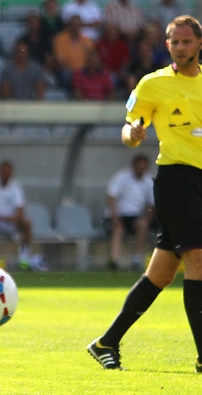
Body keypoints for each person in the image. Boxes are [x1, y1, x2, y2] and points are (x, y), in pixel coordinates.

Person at [87, 15, 202, 373]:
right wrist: (132, 135)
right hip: (176, 180)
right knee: (198, 262)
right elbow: (129, 127)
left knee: (162, 272)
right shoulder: (153, 84)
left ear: (199, 44)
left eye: (186, 41)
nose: (181, 47)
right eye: (174, 42)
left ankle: (106, 342)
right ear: (167, 45)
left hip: (199, 183)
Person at [102, 154, 154, 271]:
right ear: (133, 166)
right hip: (117, 214)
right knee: (118, 229)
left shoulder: (149, 180)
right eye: (139, 167)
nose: (141, 170)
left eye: (143, 168)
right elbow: (111, 197)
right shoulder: (121, 177)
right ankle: (114, 260)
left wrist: (146, 219)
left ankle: (137, 258)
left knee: (142, 226)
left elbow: (152, 203)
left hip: (134, 216)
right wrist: (115, 217)